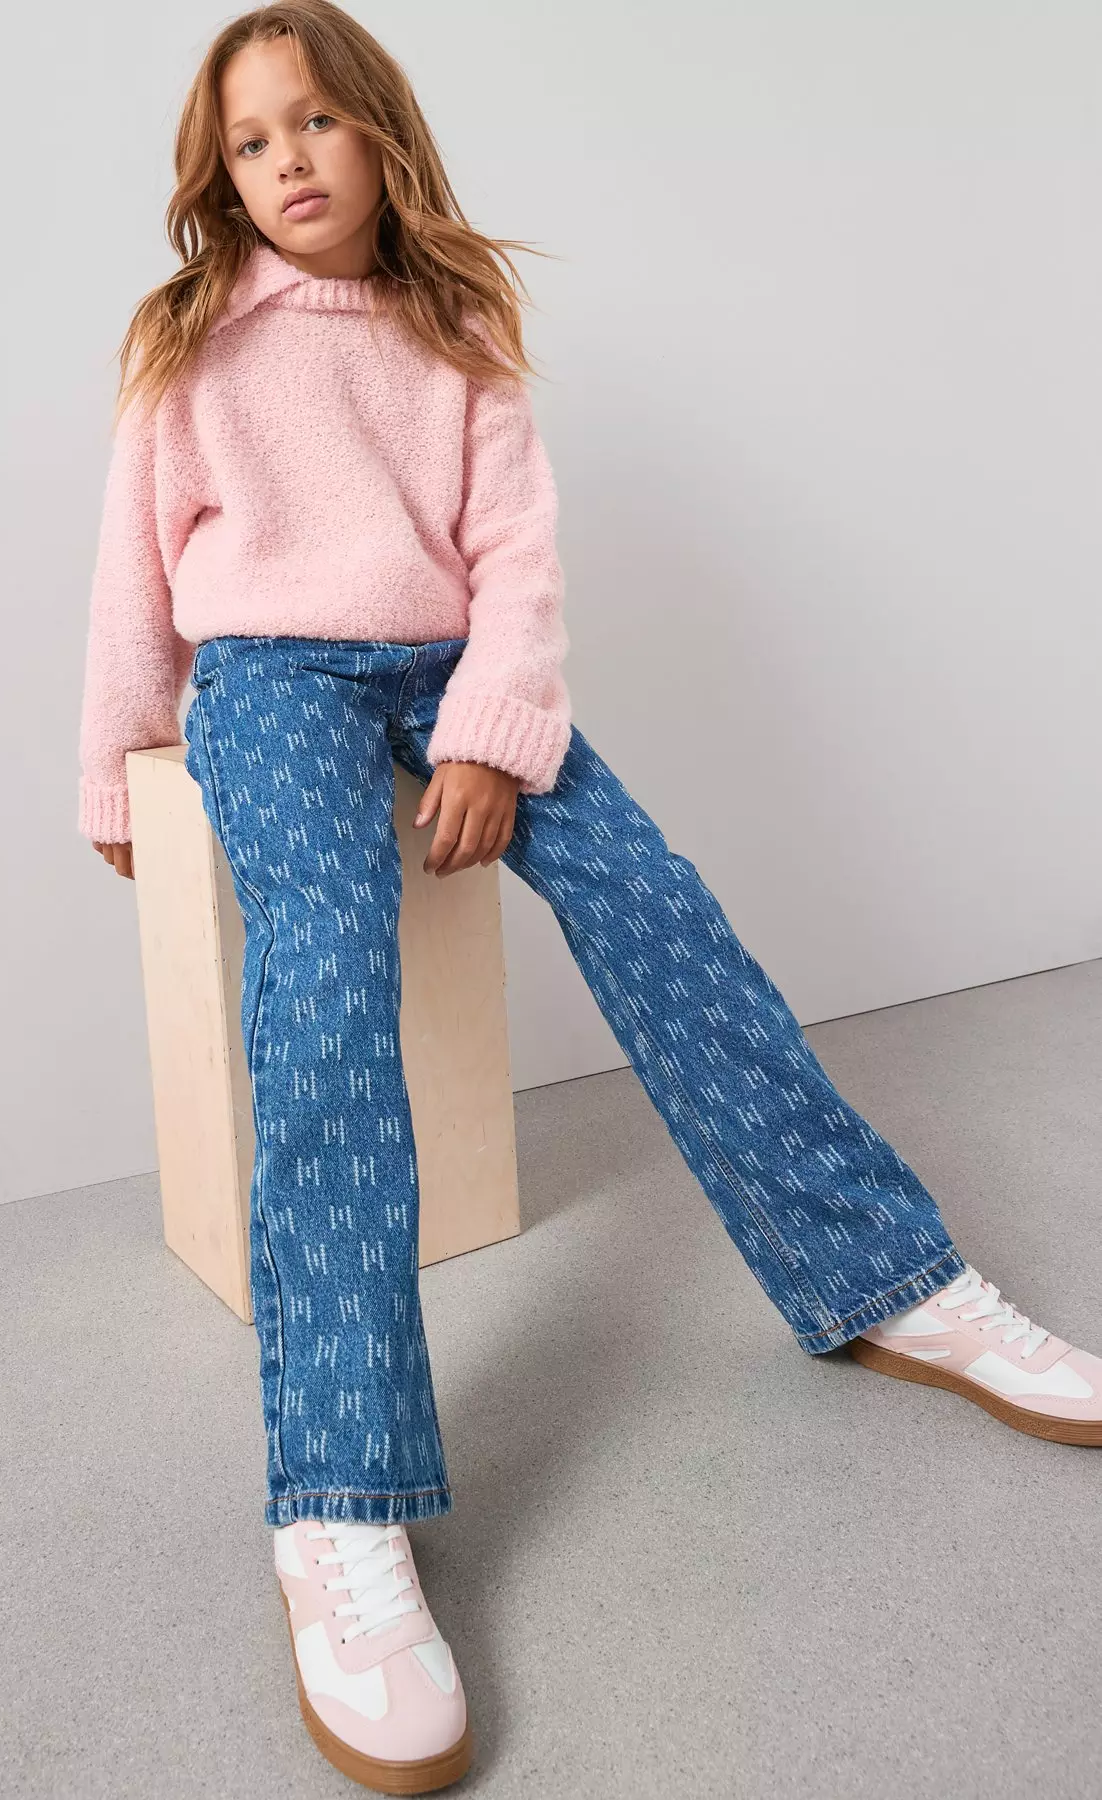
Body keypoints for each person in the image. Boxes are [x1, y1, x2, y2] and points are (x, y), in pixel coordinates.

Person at [75, 3, 1101, 1790]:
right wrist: (113, 764)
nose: (285, 160)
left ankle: (888, 1280)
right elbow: (128, 571)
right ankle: (337, 1505)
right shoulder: (189, 337)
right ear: (217, 176)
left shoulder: (456, 323)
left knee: (660, 911)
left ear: (379, 132)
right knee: (325, 987)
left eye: (315, 120)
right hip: (265, 679)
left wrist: (488, 727)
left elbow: (515, 564)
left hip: (445, 665)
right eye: (248, 141)